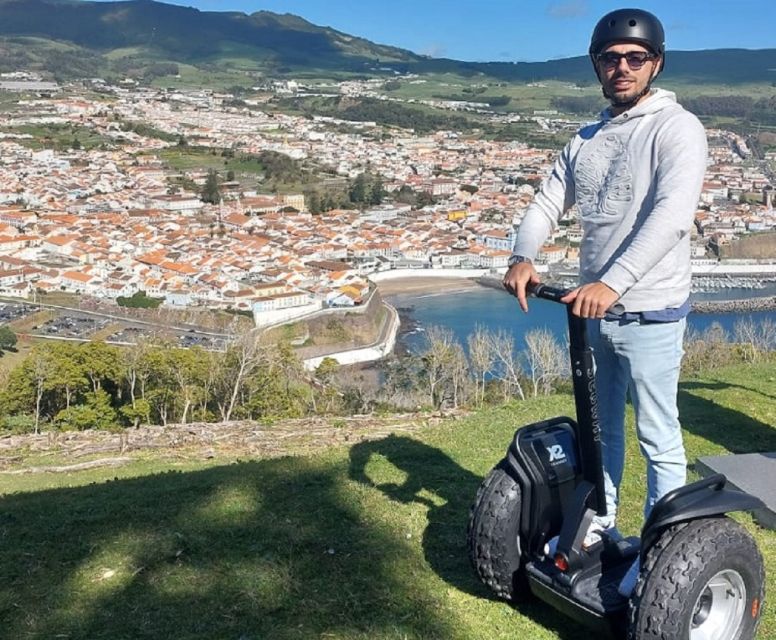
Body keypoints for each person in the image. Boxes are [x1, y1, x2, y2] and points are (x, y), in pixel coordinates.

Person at [502, 8, 707, 596]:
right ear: (596, 65)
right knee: (600, 431)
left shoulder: (676, 128)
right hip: (594, 310)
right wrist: (523, 255)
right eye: (610, 58)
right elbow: (547, 201)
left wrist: (612, 283)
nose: (622, 67)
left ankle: (664, 552)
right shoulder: (587, 138)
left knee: (658, 434)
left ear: (656, 63)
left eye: (635, 57)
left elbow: (671, 218)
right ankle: (602, 527)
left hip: (649, 309)